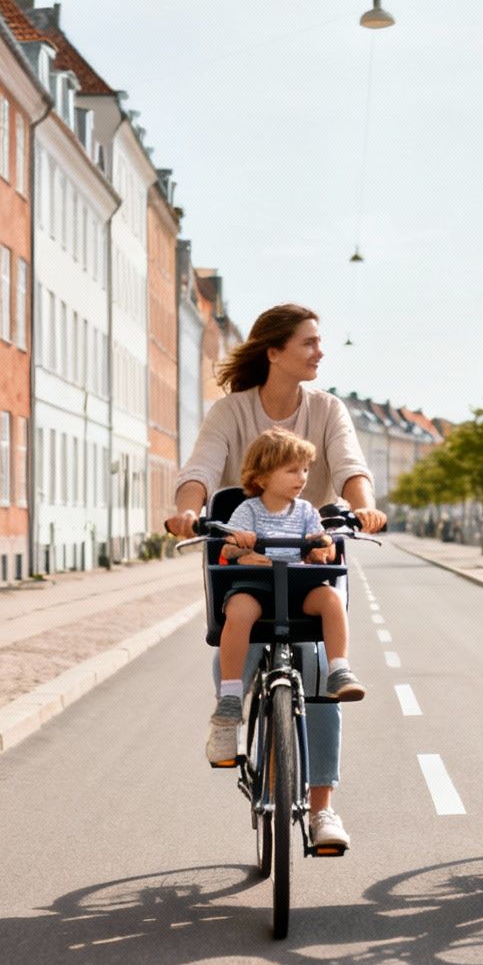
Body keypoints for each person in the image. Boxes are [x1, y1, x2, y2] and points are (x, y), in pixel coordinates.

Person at [167, 304, 386, 852]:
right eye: (308, 343)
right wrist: (186, 510)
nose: (319, 351)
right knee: (236, 635)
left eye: (320, 341)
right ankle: (228, 714)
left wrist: (365, 509)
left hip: (313, 557)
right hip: (247, 555)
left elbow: (350, 466)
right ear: (274, 352)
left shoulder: (328, 408)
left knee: (317, 678)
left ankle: (322, 812)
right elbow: (199, 468)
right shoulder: (230, 412)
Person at [214, 429, 365, 733]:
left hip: (297, 585)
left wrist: (324, 544)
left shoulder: (307, 511)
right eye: (293, 470)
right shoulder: (248, 510)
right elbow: (228, 547)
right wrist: (241, 543)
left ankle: (339, 670)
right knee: (239, 612)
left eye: (306, 469)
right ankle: (230, 695)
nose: (303, 477)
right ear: (264, 475)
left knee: (332, 600)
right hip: (258, 586)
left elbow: (324, 544)